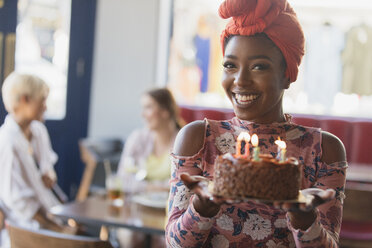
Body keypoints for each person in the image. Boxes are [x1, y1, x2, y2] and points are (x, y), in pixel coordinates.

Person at [166, 0, 347, 247]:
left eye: (259, 66)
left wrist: (305, 219)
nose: (240, 80)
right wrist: (200, 208)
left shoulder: (324, 150)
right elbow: (174, 244)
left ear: (287, 75)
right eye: (230, 65)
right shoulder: (197, 139)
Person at [0, 72, 68, 242]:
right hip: (26, 231)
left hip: (51, 216)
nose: (45, 107)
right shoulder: (7, 142)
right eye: (42, 100)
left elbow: (48, 168)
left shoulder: (39, 131)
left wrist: (50, 176)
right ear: (25, 100)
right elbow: (19, 203)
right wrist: (59, 229)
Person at [117, 88, 183, 187]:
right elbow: (123, 178)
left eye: (148, 107)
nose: (142, 115)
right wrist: (155, 187)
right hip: (136, 201)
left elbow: (182, 185)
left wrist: (142, 186)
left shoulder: (183, 143)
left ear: (165, 111)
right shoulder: (137, 138)